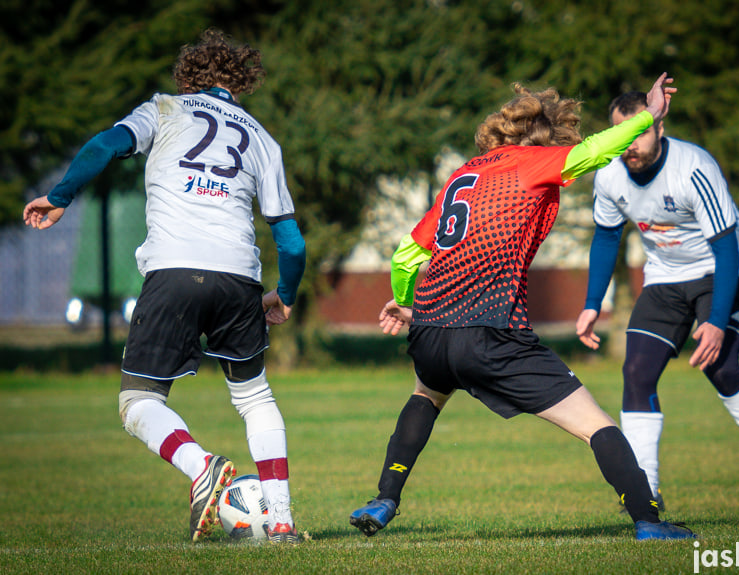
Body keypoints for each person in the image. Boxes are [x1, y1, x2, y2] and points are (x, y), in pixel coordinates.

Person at [349, 73, 695, 541]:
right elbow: (596, 151)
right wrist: (647, 118)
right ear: (552, 137)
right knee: (596, 424)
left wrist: (411, 303)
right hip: (491, 331)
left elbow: (407, 256)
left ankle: (384, 498)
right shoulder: (533, 164)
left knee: (426, 396)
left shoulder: (464, 174)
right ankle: (650, 523)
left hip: (433, 331)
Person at [22, 29, 305, 544]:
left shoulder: (165, 109)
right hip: (240, 275)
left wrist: (61, 196)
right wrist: (284, 295)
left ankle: (201, 467)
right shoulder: (263, 140)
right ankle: (282, 520)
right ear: (239, 83)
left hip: (174, 268)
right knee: (254, 396)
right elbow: (291, 241)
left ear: (187, 76)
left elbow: (105, 145)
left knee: (138, 401)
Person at [575, 91, 739, 511]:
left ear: (659, 127)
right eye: (622, 133)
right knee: (636, 370)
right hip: (665, 276)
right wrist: (591, 302)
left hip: (720, 266)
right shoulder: (610, 176)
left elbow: (727, 247)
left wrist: (714, 318)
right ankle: (647, 489)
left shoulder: (693, 168)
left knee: (721, 367)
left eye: (639, 132)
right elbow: (606, 236)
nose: (630, 143)